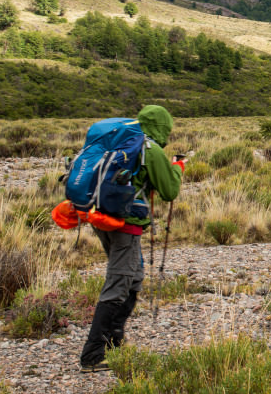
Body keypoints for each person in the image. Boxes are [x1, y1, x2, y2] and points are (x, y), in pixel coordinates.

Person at [79, 105, 184, 373]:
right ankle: (92, 355)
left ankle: (115, 339)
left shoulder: (124, 141)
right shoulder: (151, 149)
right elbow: (169, 191)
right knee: (120, 279)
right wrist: (177, 168)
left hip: (101, 216)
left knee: (134, 276)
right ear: (163, 126)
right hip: (125, 223)